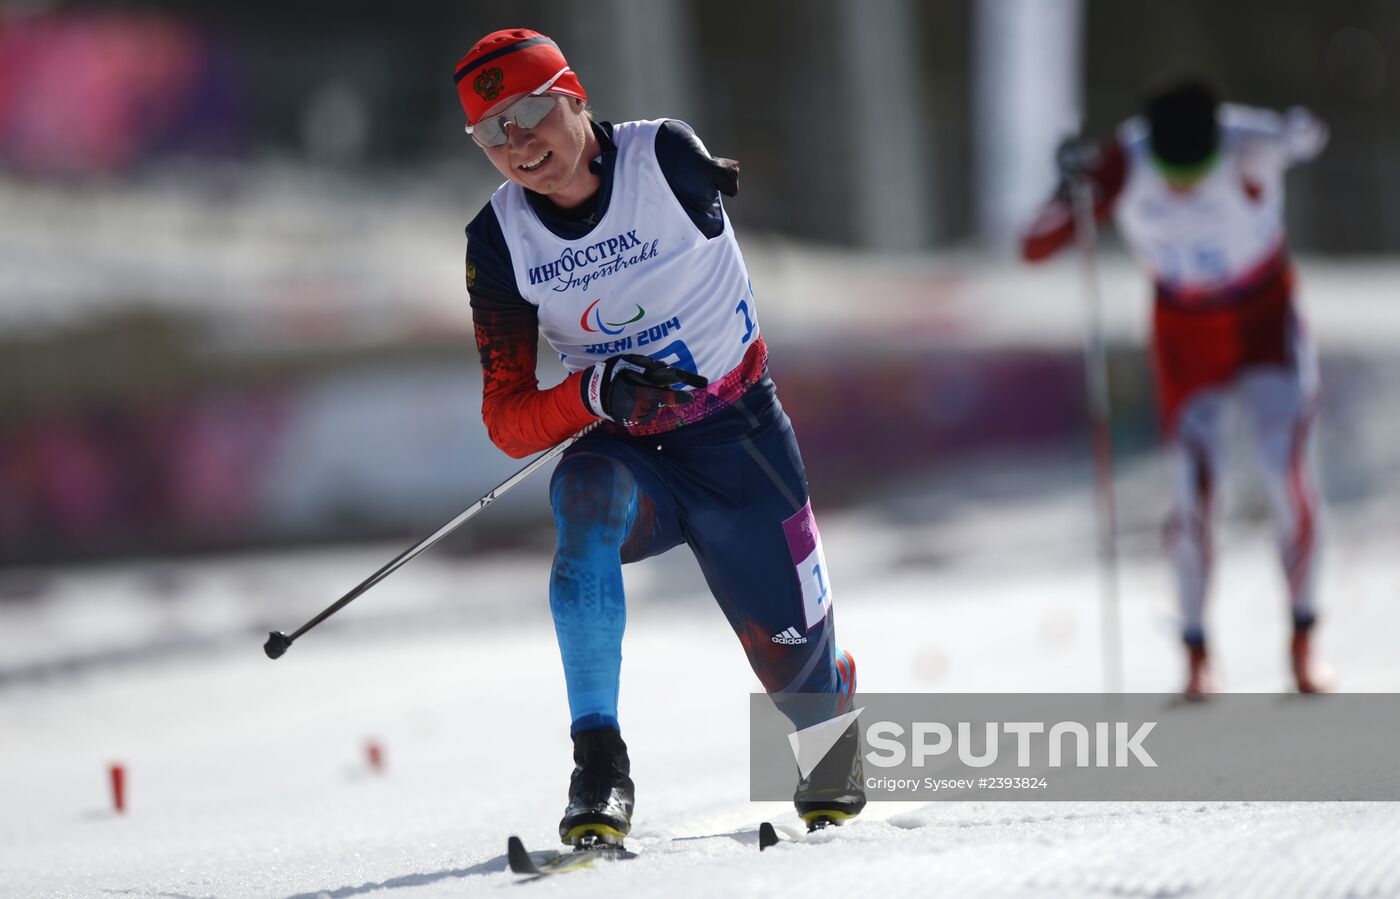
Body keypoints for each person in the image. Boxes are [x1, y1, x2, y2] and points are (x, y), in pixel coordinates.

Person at [454, 28, 863, 847]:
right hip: (632, 450)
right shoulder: (498, 242)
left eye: (531, 112)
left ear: (575, 95)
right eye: (491, 131)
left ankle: (828, 709)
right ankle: (599, 763)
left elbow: (705, 181)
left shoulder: (664, 159)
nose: (518, 142)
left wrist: (712, 182)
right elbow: (507, 419)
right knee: (582, 494)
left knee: (797, 667)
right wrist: (596, 389)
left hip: (739, 439)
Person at [1021, 79, 1331, 697]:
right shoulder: (1126, 158)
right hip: (1188, 335)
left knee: (1283, 468)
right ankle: (1196, 654)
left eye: (1196, 170)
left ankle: (1302, 642)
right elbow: (1035, 246)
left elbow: (1308, 135)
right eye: (1172, 173)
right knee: (1195, 492)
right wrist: (1069, 186)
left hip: (1265, 320)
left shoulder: (1249, 141)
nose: (1184, 185)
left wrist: (1299, 126)